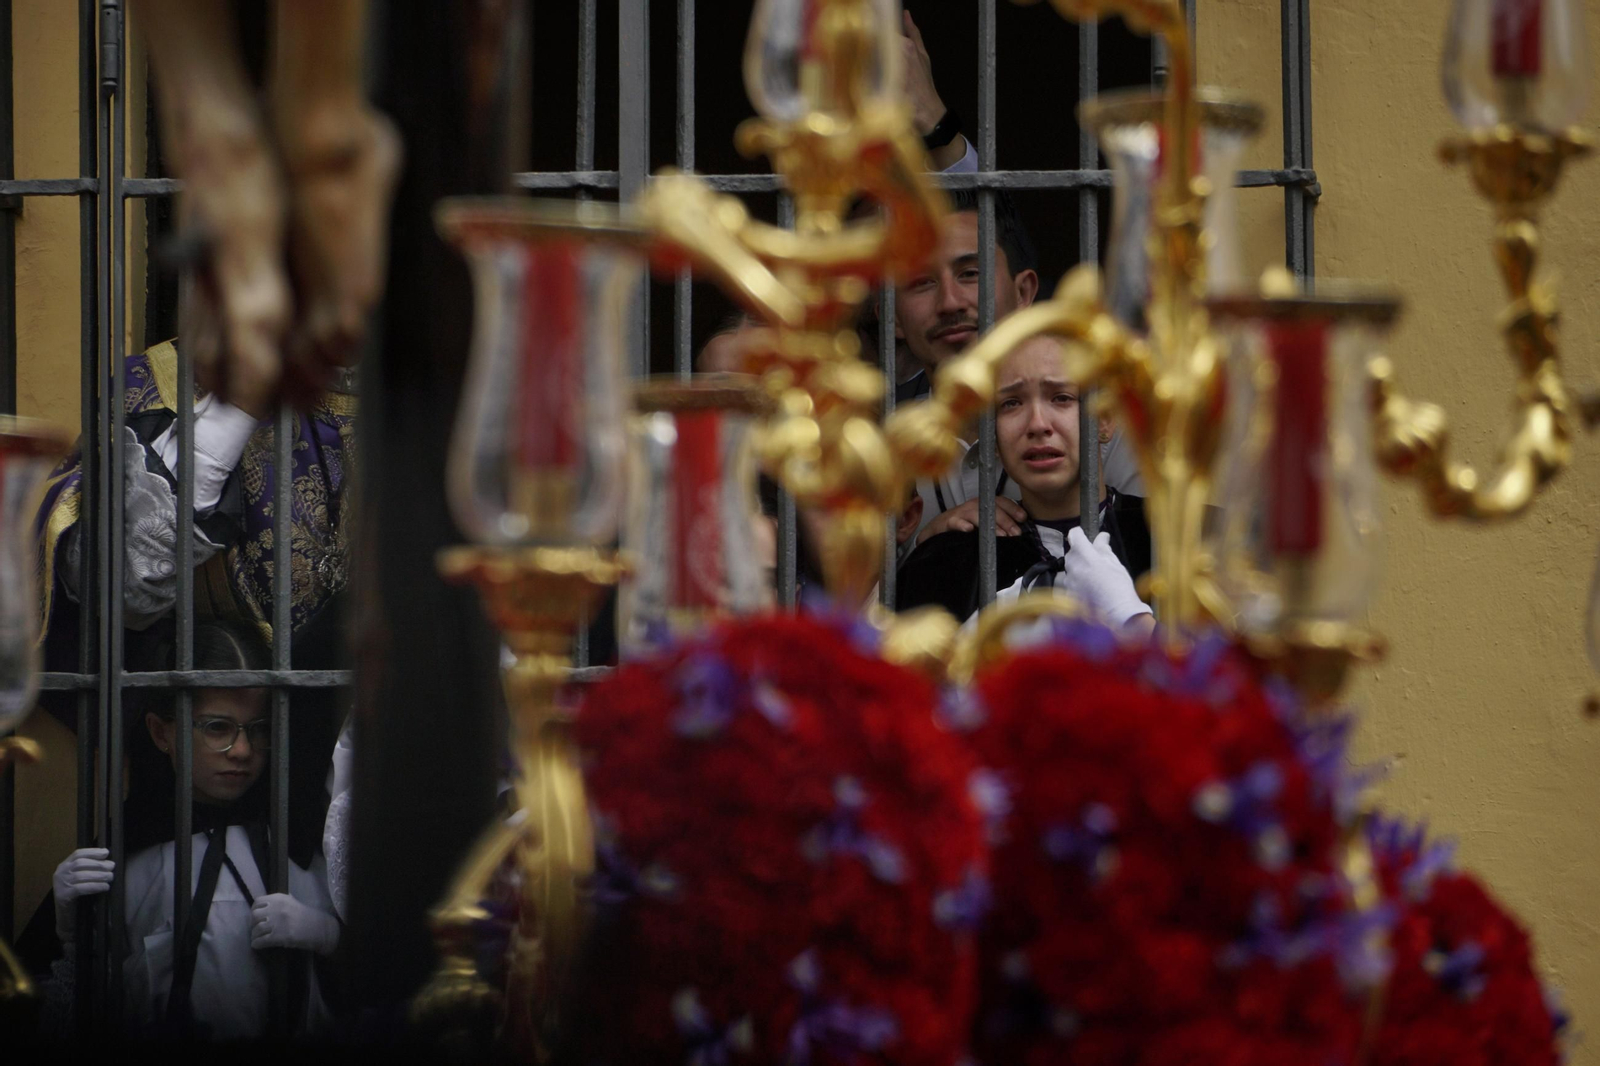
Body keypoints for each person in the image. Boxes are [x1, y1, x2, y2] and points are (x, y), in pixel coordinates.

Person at [41, 619, 341, 1040]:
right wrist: (73, 938)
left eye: (258, 730)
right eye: (217, 727)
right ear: (161, 733)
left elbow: (381, 991)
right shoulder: (127, 853)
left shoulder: (305, 837)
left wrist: (331, 938)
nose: (242, 751)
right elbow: (74, 1024)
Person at [891, 191, 1147, 548]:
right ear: (892, 316)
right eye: (922, 282)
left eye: (970, 273)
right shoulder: (881, 449)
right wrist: (926, 550)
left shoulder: (1102, 417)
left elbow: (1157, 551)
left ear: (1024, 290)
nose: (949, 302)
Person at [896, 336, 1153, 633]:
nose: (1037, 424)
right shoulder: (946, 565)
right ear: (990, 435)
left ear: (1105, 419)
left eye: (1061, 398)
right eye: (1011, 403)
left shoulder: (1165, 539)